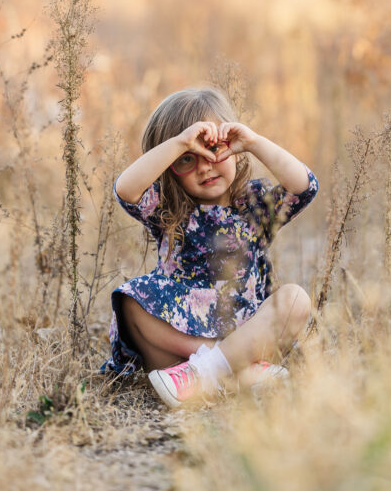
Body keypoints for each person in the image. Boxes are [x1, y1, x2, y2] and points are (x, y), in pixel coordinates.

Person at [102, 86, 319, 407]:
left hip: (245, 330)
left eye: (215, 149)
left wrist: (255, 143)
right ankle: (229, 372)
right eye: (187, 159)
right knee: (130, 301)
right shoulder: (169, 209)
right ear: (169, 167)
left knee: (296, 300)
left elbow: (304, 187)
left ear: (234, 147)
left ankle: (213, 371)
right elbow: (125, 191)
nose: (204, 166)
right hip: (178, 338)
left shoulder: (254, 205)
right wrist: (177, 143)